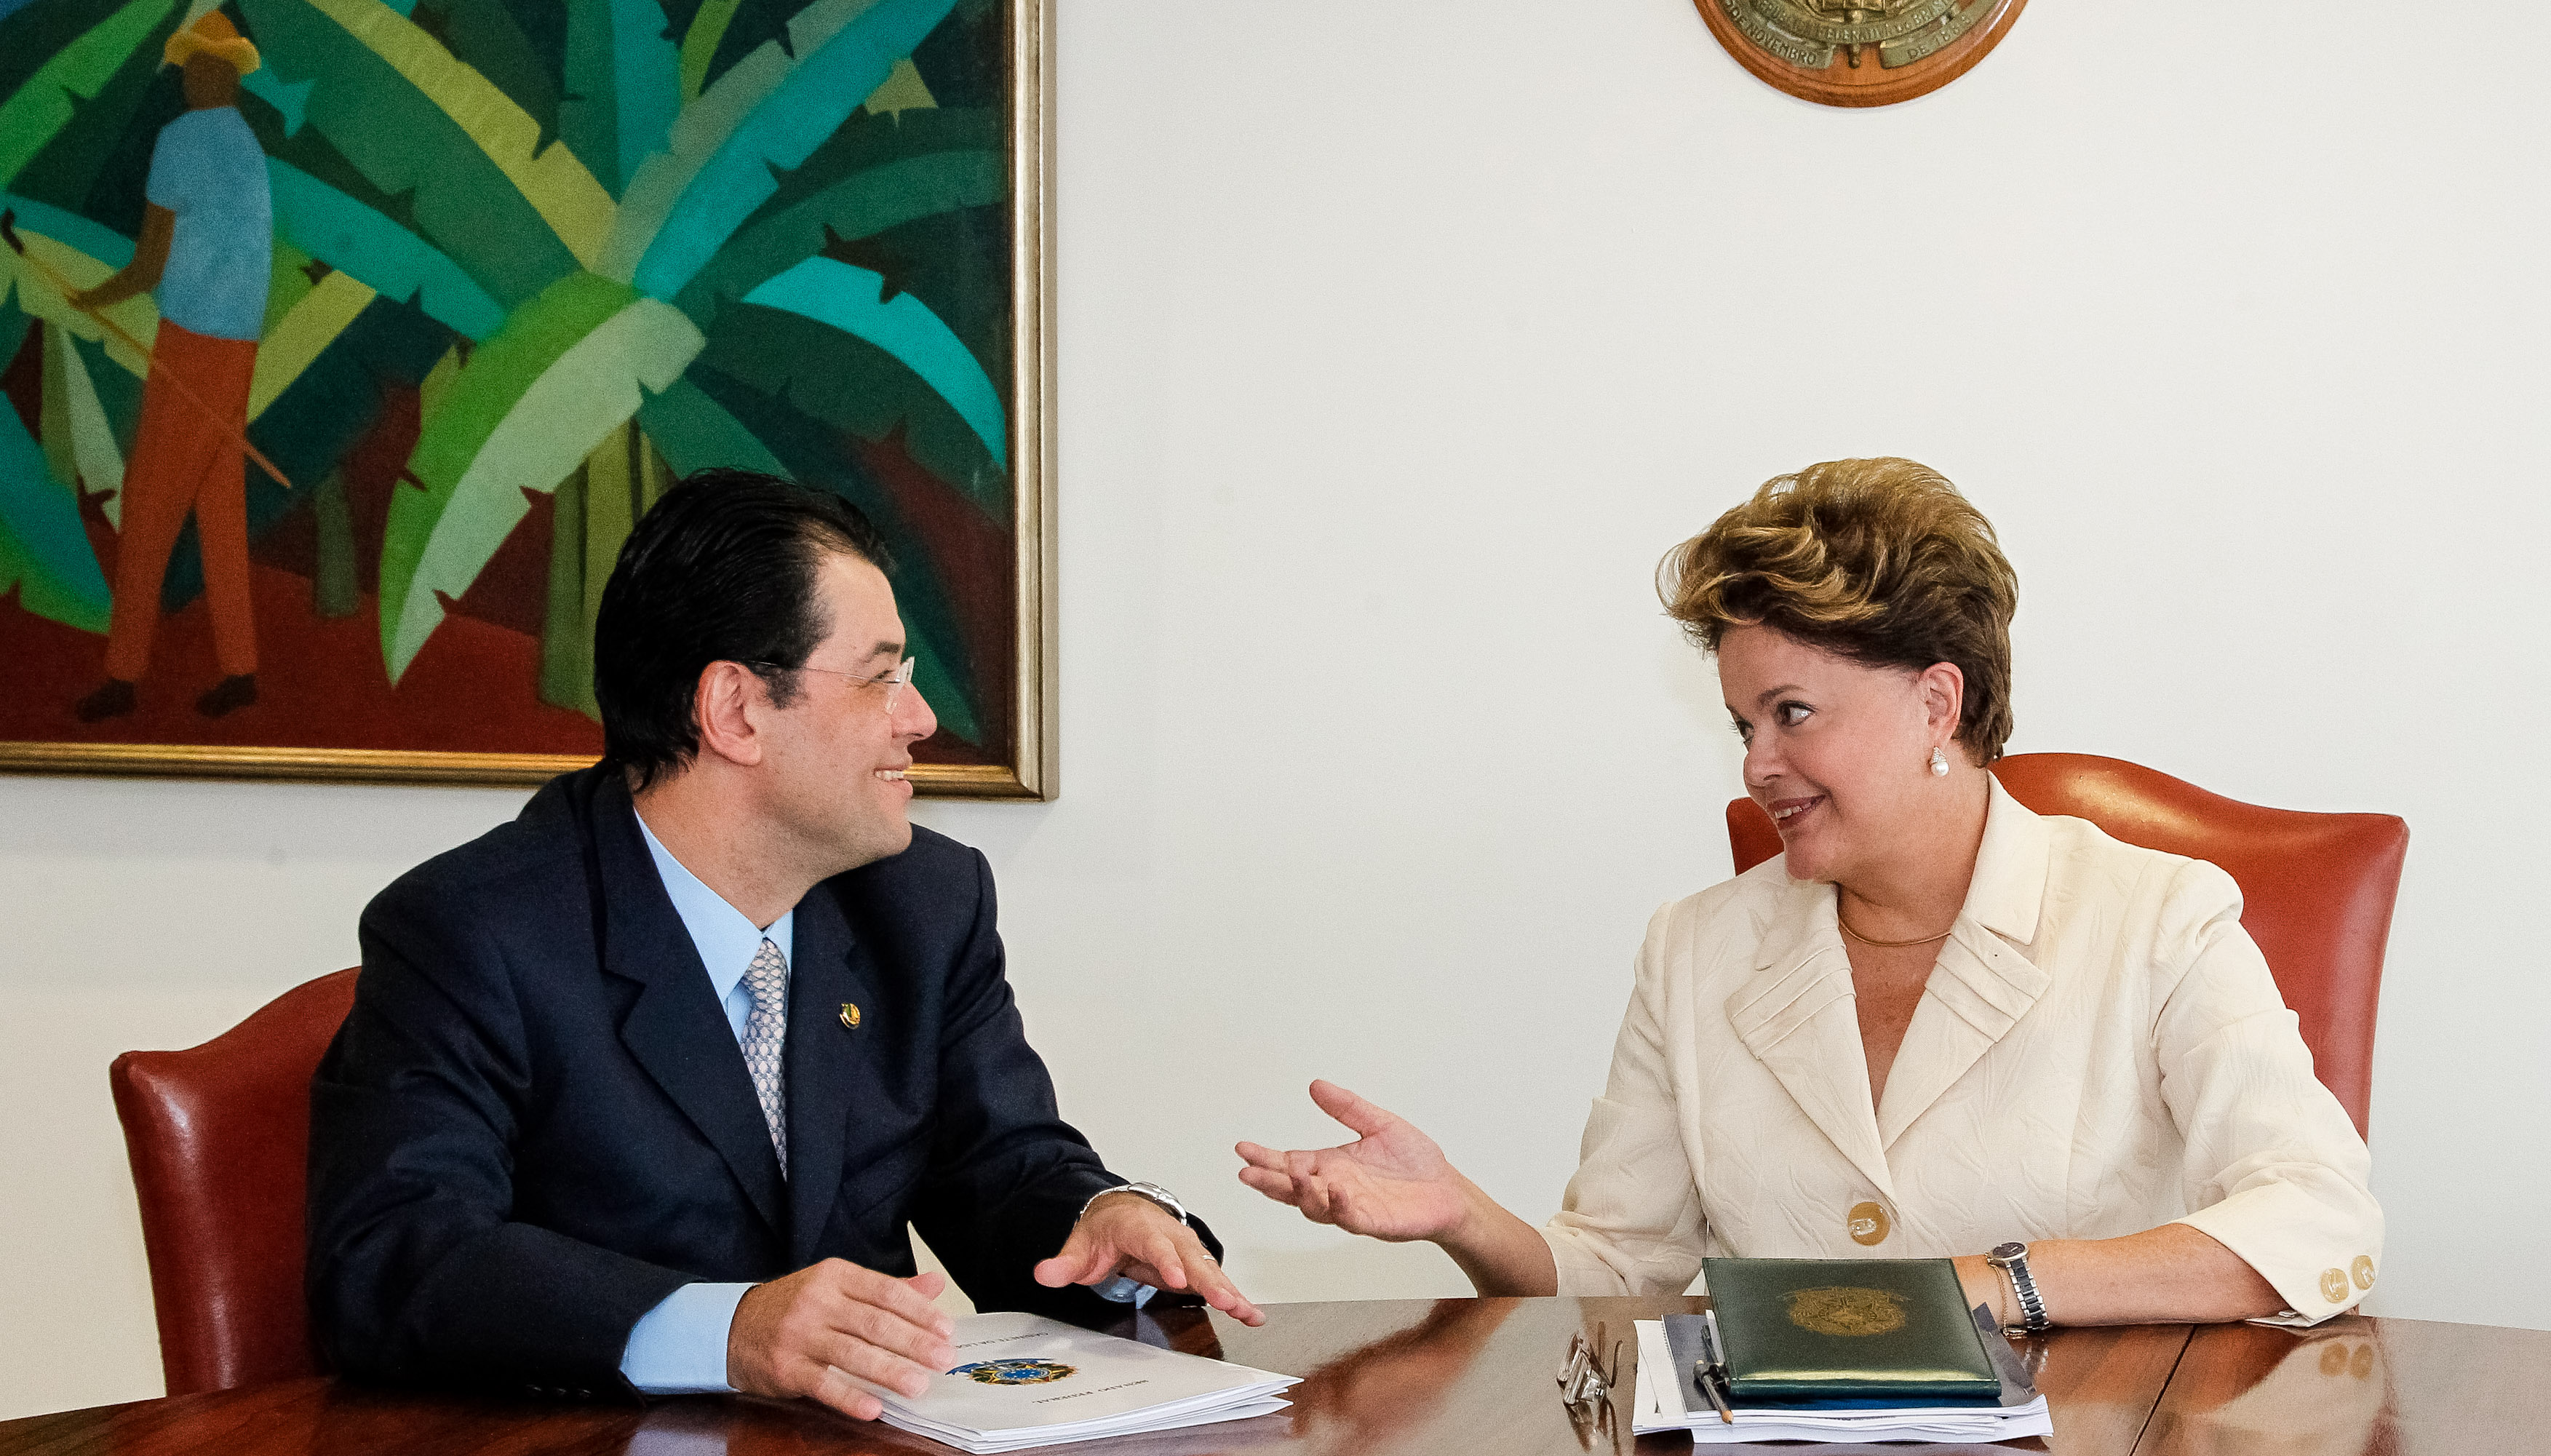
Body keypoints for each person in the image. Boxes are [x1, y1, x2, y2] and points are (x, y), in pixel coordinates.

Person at [1238, 458, 2381, 1329]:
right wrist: (1458, 1211)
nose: (1754, 766)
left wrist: (1995, 1283)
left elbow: (2317, 1216)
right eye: (1743, 725)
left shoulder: (2159, 918)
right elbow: (1619, 1269)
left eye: (1791, 713)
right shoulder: (1692, 948)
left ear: (1938, 704)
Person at [309, 470, 1261, 1416]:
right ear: (735, 710)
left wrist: (1103, 1216)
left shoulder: (922, 903)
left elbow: (1000, 1166)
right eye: (880, 676)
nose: (918, 719)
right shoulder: (474, 930)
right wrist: (723, 1331)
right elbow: (395, 1256)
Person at [72, 9, 274, 724]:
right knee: (219, 510)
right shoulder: (248, 146)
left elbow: (149, 262)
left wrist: (88, 295)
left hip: (192, 341)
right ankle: (241, 667)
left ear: (224, 74)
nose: (190, 76)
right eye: (189, 64)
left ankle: (124, 675)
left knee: (151, 505)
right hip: (238, 349)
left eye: (201, 65)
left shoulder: (180, 139)